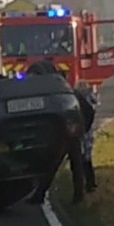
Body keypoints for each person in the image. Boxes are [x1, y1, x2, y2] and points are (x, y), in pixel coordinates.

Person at [24, 61, 86, 204]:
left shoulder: (53, 90)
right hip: (70, 128)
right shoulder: (60, 86)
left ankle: (41, 195)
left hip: (69, 128)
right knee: (71, 162)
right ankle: (78, 195)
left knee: (60, 162)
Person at [75, 82, 98, 192]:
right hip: (88, 134)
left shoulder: (77, 100)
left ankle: (83, 186)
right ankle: (91, 183)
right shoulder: (90, 98)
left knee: (80, 161)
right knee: (87, 160)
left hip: (81, 135)